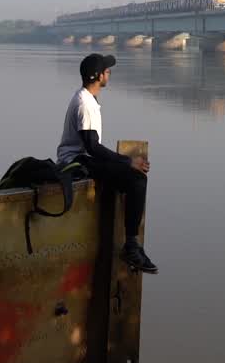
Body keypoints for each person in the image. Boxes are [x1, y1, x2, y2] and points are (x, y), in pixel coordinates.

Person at [56, 53, 157, 274]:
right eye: (107, 71)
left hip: (80, 158)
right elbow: (92, 147)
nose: (109, 73)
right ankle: (131, 246)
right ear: (99, 76)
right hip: (75, 162)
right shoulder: (85, 104)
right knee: (136, 179)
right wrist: (127, 161)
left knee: (126, 176)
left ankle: (131, 244)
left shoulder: (85, 98)